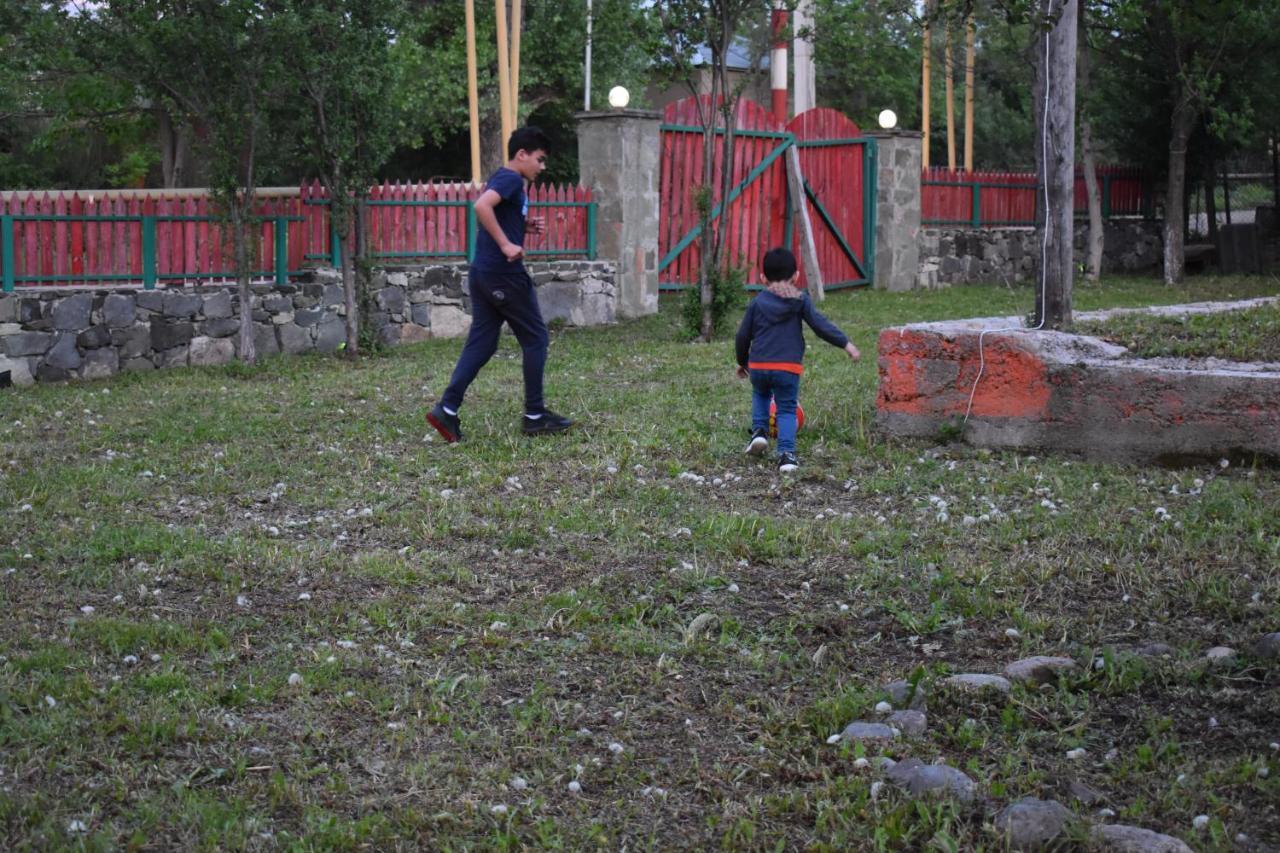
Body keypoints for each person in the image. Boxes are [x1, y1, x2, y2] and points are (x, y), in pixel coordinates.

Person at [427, 126, 573, 442]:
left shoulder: (506, 179)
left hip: (483, 273)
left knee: (483, 342)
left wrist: (523, 225)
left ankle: (447, 410)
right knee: (535, 338)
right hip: (504, 275)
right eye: (540, 159)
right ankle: (535, 415)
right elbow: (481, 207)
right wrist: (508, 244)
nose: (542, 167)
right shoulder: (509, 178)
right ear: (522, 155)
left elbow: (499, 211)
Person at [734, 247, 860, 472]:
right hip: (787, 367)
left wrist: (742, 361)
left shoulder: (757, 302)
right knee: (786, 408)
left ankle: (759, 432)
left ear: (763, 278)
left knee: (761, 394)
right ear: (796, 276)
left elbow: (743, 335)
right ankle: (786, 455)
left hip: (759, 365)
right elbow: (820, 325)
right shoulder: (800, 300)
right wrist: (845, 344)